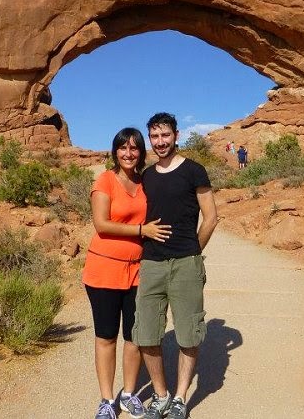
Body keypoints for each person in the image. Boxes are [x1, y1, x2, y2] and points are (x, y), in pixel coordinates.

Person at [133, 113, 219, 419]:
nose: (160, 142)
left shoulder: (194, 171)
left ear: (176, 135)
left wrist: (194, 250)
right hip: (152, 263)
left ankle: (181, 396)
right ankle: (161, 395)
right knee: (146, 334)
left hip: (186, 263)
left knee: (188, 333)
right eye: (154, 137)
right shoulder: (146, 175)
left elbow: (211, 216)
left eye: (165, 135)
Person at [83, 127, 172, 419]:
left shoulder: (144, 182)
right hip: (104, 269)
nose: (128, 153)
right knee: (106, 336)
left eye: (134, 148)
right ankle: (107, 400)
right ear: (115, 151)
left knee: (134, 336)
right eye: (123, 148)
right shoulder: (106, 180)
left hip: (137, 272)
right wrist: (140, 230)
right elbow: (102, 224)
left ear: (140, 152)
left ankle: (129, 394)